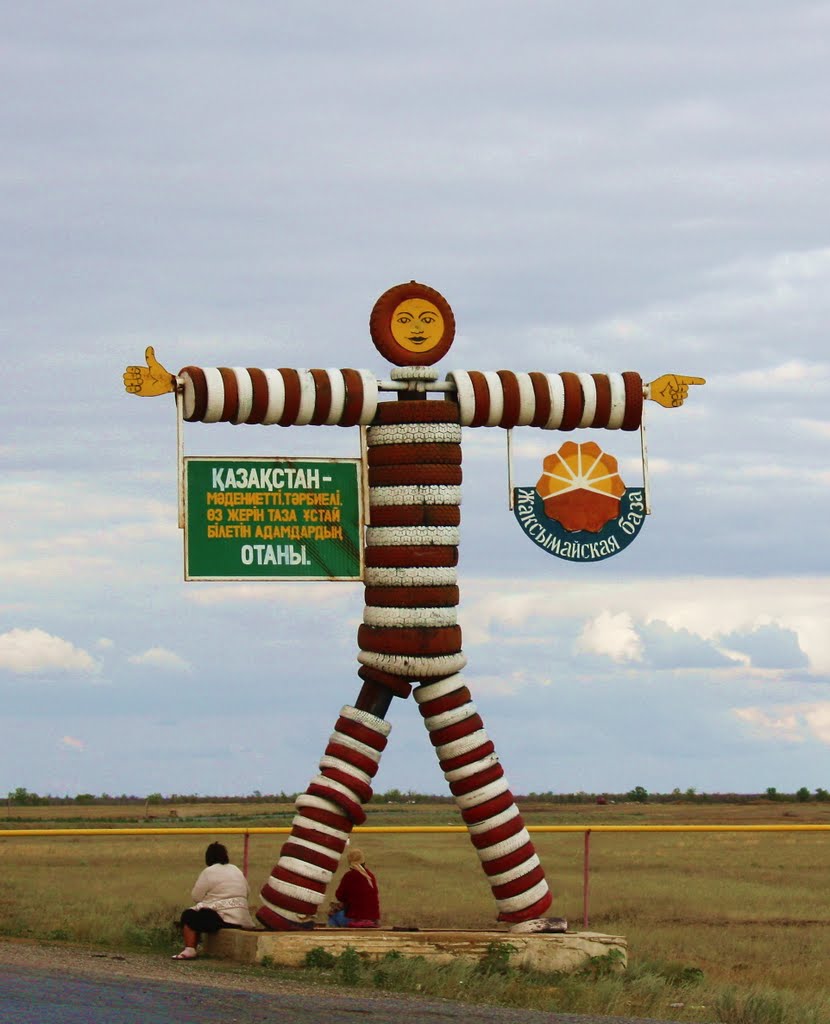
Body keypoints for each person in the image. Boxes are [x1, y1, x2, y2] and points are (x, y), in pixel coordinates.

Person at [173, 841, 255, 960]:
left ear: (208, 858)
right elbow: (247, 892)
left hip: (222, 918)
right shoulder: (236, 869)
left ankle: (190, 949)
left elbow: (196, 896)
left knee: (189, 915)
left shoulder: (209, 871)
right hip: (242, 918)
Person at [327, 848, 380, 928]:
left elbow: (339, 896)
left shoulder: (349, 876)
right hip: (373, 921)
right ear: (363, 861)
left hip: (355, 920)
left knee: (333, 917)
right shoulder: (370, 876)